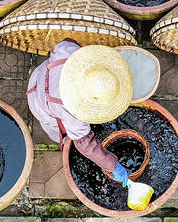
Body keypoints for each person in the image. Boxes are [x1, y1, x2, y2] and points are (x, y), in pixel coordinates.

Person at [27, 40, 132, 186]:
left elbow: (64, 43)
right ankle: (64, 142)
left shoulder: (71, 53)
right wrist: (113, 166)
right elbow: (84, 144)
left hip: (40, 77)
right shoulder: (71, 109)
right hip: (41, 103)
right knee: (58, 131)